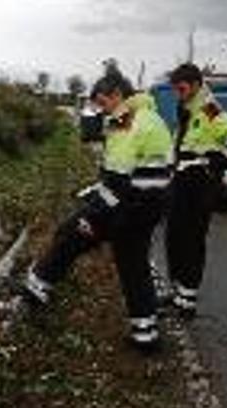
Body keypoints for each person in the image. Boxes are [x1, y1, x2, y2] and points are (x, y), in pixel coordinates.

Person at [18, 69, 173, 348]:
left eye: (103, 103)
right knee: (134, 267)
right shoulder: (150, 116)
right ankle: (145, 333)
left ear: (117, 94)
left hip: (128, 208)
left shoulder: (129, 123)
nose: (101, 110)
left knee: (71, 233)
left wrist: (92, 211)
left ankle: (36, 287)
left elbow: (117, 182)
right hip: (151, 205)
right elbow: (121, 166)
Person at [164, 63, 227, 317]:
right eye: (175, 89)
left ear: (196, 85)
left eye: (181, 88)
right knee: (174, 237)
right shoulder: (186, 108)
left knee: (192, 240)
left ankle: (188, 299)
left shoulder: (210, 108)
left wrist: (213, 161)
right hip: (181, 183)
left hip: (200, 186)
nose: (177, 93)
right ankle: (178, 289)